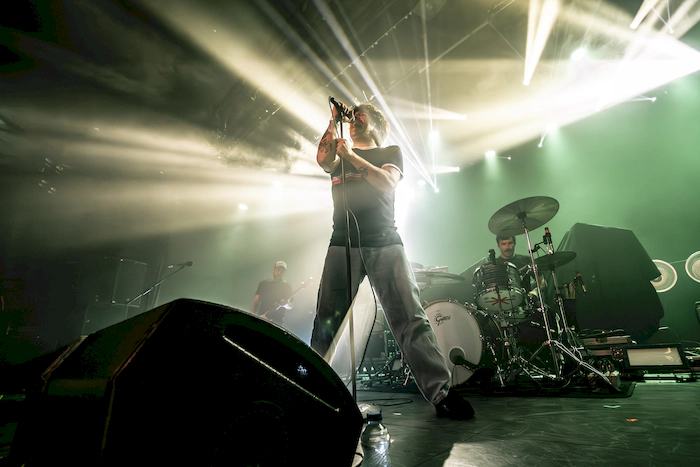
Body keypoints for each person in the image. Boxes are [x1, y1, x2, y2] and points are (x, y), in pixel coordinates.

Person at [311, 100, 474, 420]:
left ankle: (441, 394)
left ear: (377, 124)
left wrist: (352, 157)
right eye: (352, 116)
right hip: (342, 243)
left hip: (385, 242)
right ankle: (309, 391)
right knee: (326, 321)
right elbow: (322, 158)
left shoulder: (390, 152)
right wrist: (332, 123)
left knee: (410, 320)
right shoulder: (339, 150)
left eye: (361, 115)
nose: (354, 119)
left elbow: (386, 183)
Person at [251, 261, 293, 327]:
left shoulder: (287, 286)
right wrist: (252, 317)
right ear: (273, 269)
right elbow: (255, 301)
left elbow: (290, 306)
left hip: (277, 323)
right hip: (262, 319)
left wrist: (286, 304)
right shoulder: (263, 284)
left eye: (282, 271)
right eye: (278, 270)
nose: (279, 272)